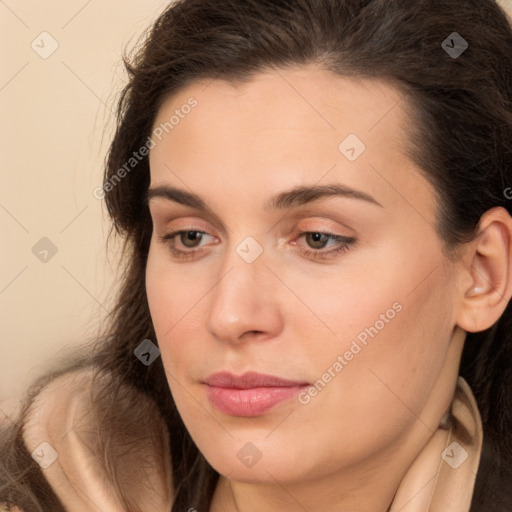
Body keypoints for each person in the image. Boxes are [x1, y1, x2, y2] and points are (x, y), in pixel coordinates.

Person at [1, 0, 512, 510]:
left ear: (482, 273)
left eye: (318, 238)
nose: (230, 316)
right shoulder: (50, 476)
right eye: (191, 237)